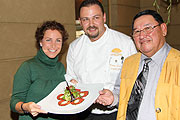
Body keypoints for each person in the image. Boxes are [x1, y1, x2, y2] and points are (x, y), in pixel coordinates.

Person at [97, 9, 180, 120]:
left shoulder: (177, 63)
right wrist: (113, 99)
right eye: (137, 31)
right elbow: (124, 98)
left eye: (147, 28)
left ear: (163, 29)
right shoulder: (129, 63)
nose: (142, 35)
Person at [65, 0, 137, 119]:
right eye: (85, 19)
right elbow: (72, 79)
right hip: (84, 113)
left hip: (116, 113)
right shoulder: (74, 47)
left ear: (104, 17)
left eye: (96, 18)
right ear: (80, 21)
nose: (91, 24)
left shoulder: (125, 43)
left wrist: (114, 97)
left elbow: (135, 83)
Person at [10, 21, 69, 119]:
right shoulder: (28, 67)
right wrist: (26, 107)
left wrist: (71, 88)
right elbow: (14, 103)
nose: (53, 45)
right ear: (41, 42)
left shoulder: (61, 67)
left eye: (58, 40)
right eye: (48, 40)